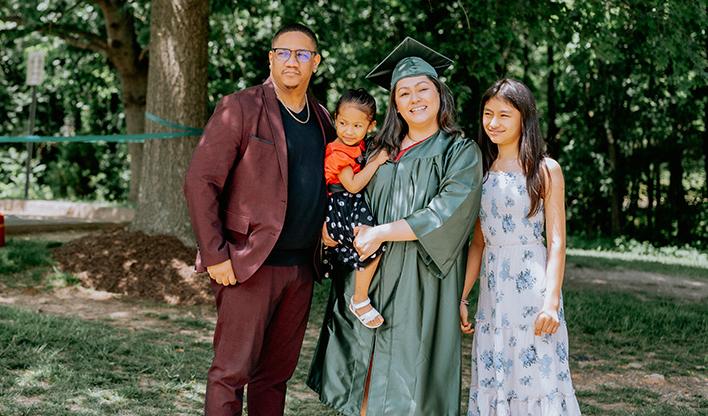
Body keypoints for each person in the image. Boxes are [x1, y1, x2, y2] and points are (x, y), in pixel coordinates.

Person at [308, 37, 483, 416]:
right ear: (394, 103)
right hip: (368, 274)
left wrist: (382, 232)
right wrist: (327, 227)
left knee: (408, 380)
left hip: (420, 281)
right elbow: (344, 194)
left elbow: (449, 212)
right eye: (403, 92)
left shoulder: (459, 151)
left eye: (423, 88)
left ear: (440, 93)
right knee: (365, 375)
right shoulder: (375, 149)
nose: (414, 98)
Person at [183, 23, 335, 416]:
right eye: (283, 52)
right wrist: (216, 255)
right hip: (247, 265)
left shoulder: (323, 118)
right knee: (230, 374)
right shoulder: (241, 107)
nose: (292, 61)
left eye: (303, 55)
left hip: (301, 269)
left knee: (274, 378)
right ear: (270, 57)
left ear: (315, 63)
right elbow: (200, 181)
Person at [460, 78, 581, 415]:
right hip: (493, 292)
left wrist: (551, 302)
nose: (493, 123)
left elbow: (557, 242)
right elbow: (478, 242)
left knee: (537, 375)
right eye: (488, 114)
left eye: (504, 115)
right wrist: (462, 295)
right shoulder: (480, 170)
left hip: (533, 291)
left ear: (524, 119)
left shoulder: (545, 170)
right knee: (497, 372)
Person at [323, 88, 389, 329]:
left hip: (348, 205)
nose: (348, 131)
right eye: (343, 123)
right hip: (343, 204)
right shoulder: (339, 151)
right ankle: (359, 298)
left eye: (356, 126)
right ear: (335, 118)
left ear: (370, 126)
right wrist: (376, 162)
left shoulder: (357, 146)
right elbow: (352, 185)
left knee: (369, 245)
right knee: (372, 243)